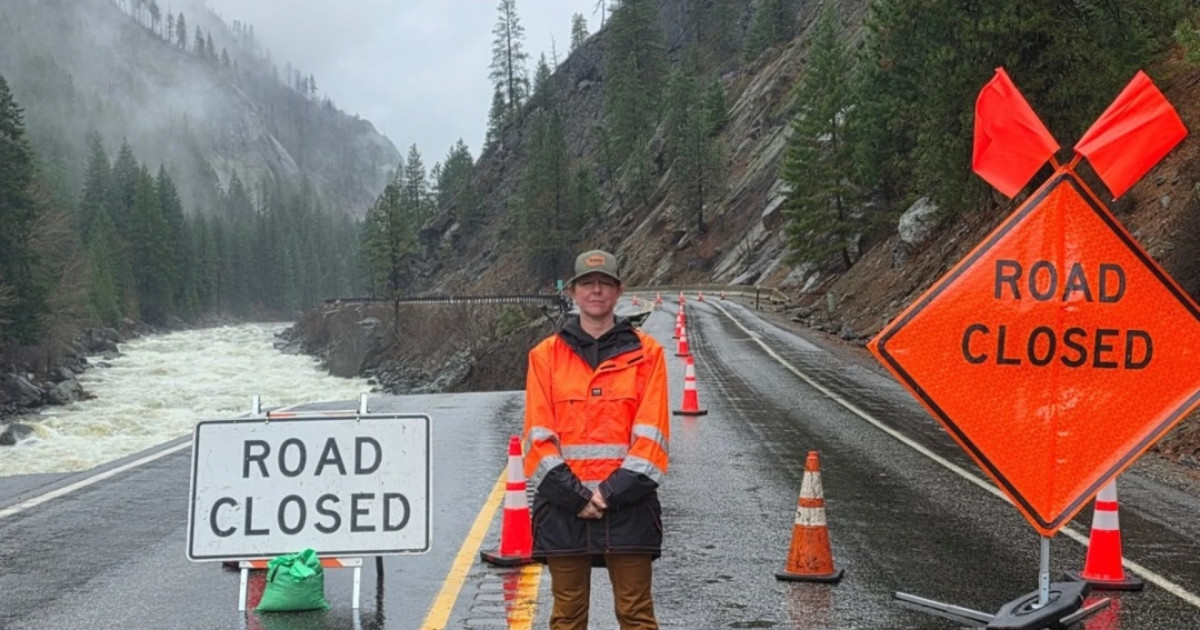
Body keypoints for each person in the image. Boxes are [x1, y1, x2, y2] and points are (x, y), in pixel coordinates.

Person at [523, 249, 670, 630]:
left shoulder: (648, 355)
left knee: (636, 615)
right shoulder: (545, 357)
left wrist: (605, 495)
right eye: (587, 283)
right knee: (568, 617)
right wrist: (576, 497)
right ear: (573, 291)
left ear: (619, 291)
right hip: (564, 511)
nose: (596, 290)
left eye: (605, 283)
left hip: (629, 508)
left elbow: (652, 441)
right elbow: (538, 440)